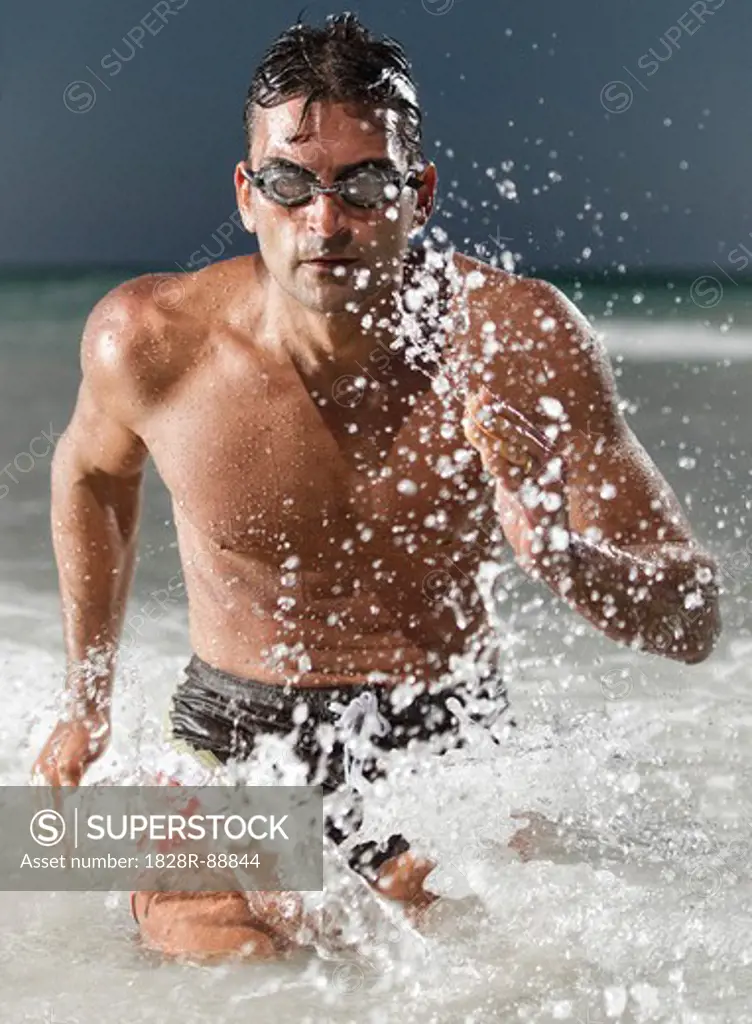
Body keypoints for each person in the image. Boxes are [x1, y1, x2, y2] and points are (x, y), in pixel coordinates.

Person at [32, 12, 721, 961]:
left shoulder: (516, 344)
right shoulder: (150, 341)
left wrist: (560, 556)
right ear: (245, 193)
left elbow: (694, 618)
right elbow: (91, 477)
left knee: (463, 966)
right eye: (290, 183)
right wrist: (88, 697)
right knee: (218, 960)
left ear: (419, 194)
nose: (326, 221)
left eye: (363, 184)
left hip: (447, 745)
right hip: (232, 731)